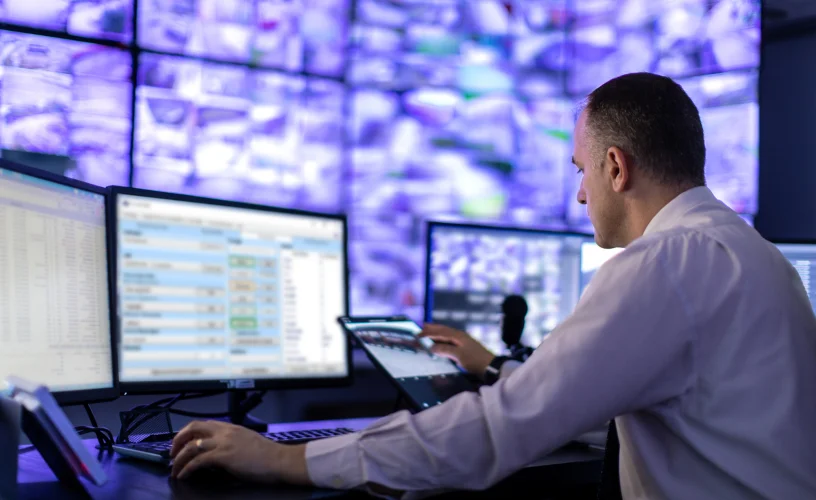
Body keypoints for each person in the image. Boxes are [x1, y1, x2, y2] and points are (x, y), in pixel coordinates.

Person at [168, 73, 816, 498]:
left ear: (616, 167)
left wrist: (288, 460)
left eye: (582, 170)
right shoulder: (747, 254)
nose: (581, 193)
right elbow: (640, 411)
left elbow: (493, 433)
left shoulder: (665, 264)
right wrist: (504, 369)